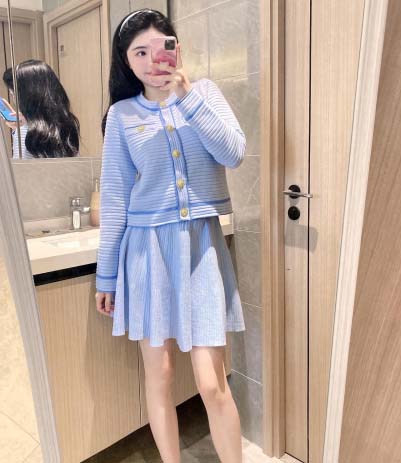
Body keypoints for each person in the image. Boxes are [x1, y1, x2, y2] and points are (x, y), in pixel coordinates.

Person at [94, 8, 247, 463]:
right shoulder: (121, 115)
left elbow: (234, 153)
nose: (150, 60)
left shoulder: (204, 93)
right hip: (146, 252)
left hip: (200, 247)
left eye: (159, 48)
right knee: (159, 376)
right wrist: (106, 276)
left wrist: (186, 95)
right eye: (138, 53)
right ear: (126, 61)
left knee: (211, 383)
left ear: (176, 48)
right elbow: (116, 197)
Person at [2, 60, 80, 159]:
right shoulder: (67, 124)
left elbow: (20, 167)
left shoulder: (25, 131)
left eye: (13, 94)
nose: (14, 99)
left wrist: (22, 129)